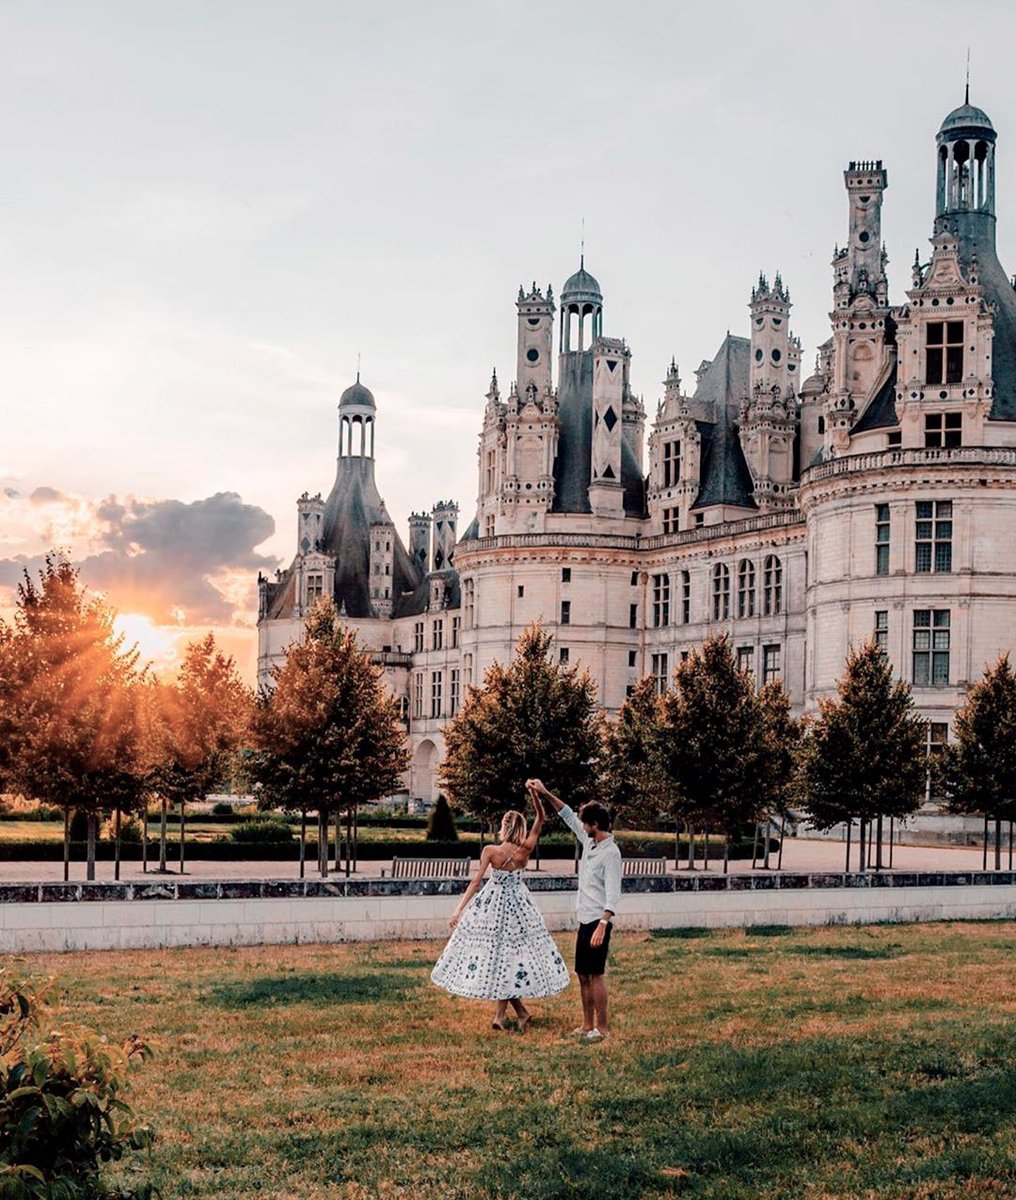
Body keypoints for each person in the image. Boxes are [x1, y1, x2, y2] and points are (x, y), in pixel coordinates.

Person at [431, 788, 569, 1030]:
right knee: (507, 959)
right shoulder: (526, 849)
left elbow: (476, 882)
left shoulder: (491, 851)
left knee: (501, 959)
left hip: (493, 908)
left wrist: (458, 910)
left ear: (504, 826)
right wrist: (534, 794)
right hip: (520, 908)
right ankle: (515, 1014)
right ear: (521, 828)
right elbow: (541, 817)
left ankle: (505, 1016)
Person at [526, 779, 620, 1041]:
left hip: (598, 921)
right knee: (582, 974)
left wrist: (602, 925)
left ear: (595, 825)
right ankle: (587, 1026)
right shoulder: (590, 843)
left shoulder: (611, 854)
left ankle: (603, 1028)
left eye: (585, 823)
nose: (582, 826)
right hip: (584, 919)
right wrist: (545, 793)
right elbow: (566, 814)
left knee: (596, 974)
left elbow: (613, 894)